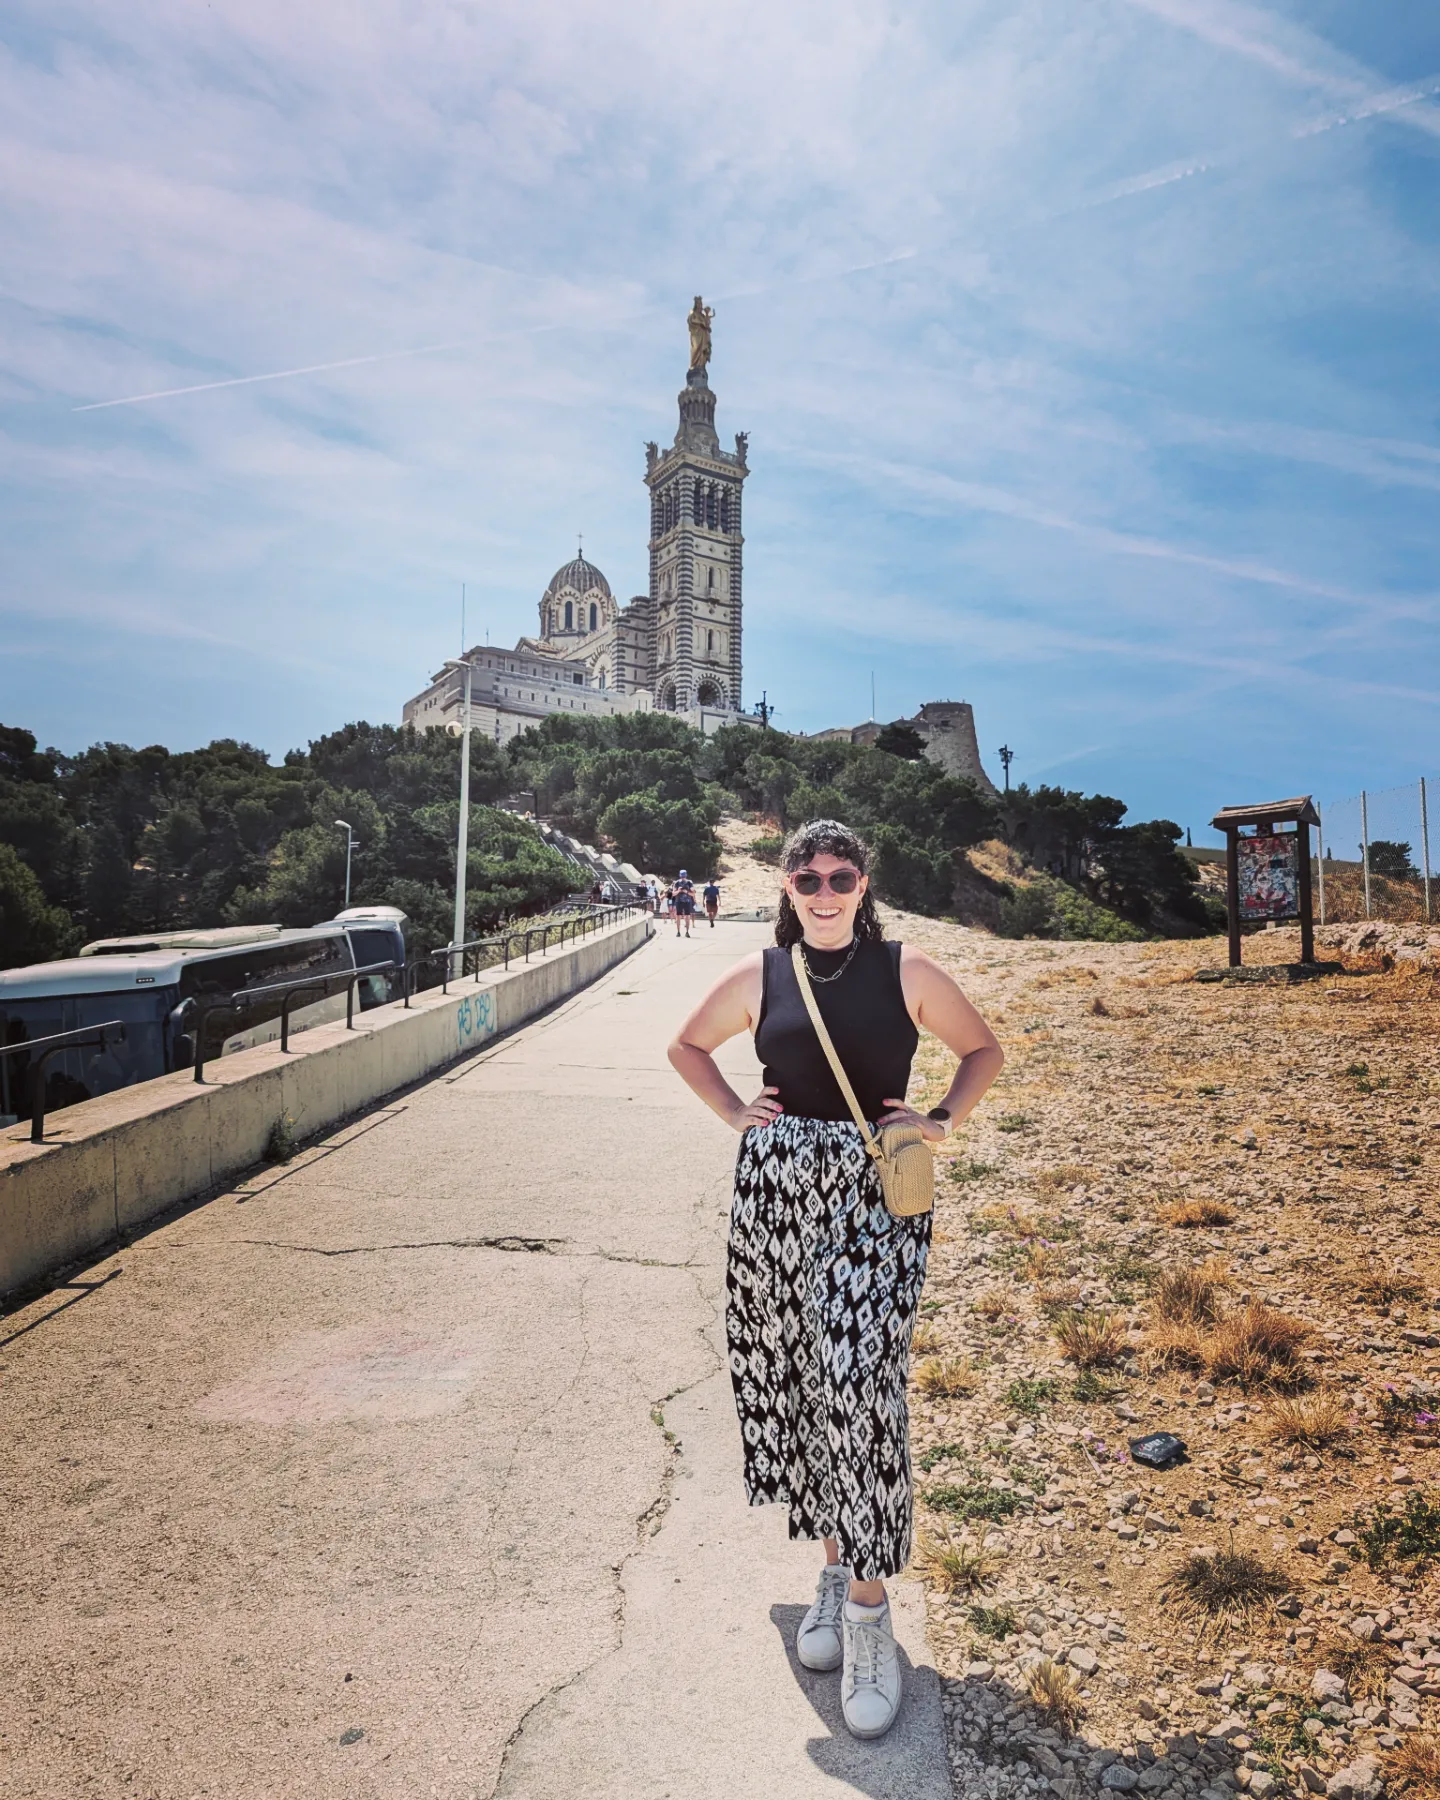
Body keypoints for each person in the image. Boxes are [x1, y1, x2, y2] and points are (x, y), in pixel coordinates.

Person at [667, 819, 1003, 1741]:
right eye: (805, 875)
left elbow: (985, 1052)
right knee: (802, 1388)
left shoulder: (907, 970)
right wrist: (738, 1110)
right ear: (785, 884)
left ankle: (866, 1613)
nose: (822, 890)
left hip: (872, 1199)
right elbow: (686, 1049)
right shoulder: (759, 976)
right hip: (776, 1199)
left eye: (839, 876)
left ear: (863, 884)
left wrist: (938, 1118)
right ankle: (831, 1567)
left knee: (860, 1390)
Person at [673, 868, 696, 939]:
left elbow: (693, 893)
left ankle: (687, 932)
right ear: (680, 875)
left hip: (687, 902)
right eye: (682, 876)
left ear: (686, 875)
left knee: (687, 917)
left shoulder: (689, 882)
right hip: (679, 901)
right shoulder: (676, 883)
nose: (683, 877)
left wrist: (687, 892)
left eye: (684, 876)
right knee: (678, 916)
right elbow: (673, 894)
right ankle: (678, 932)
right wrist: (679, 891)